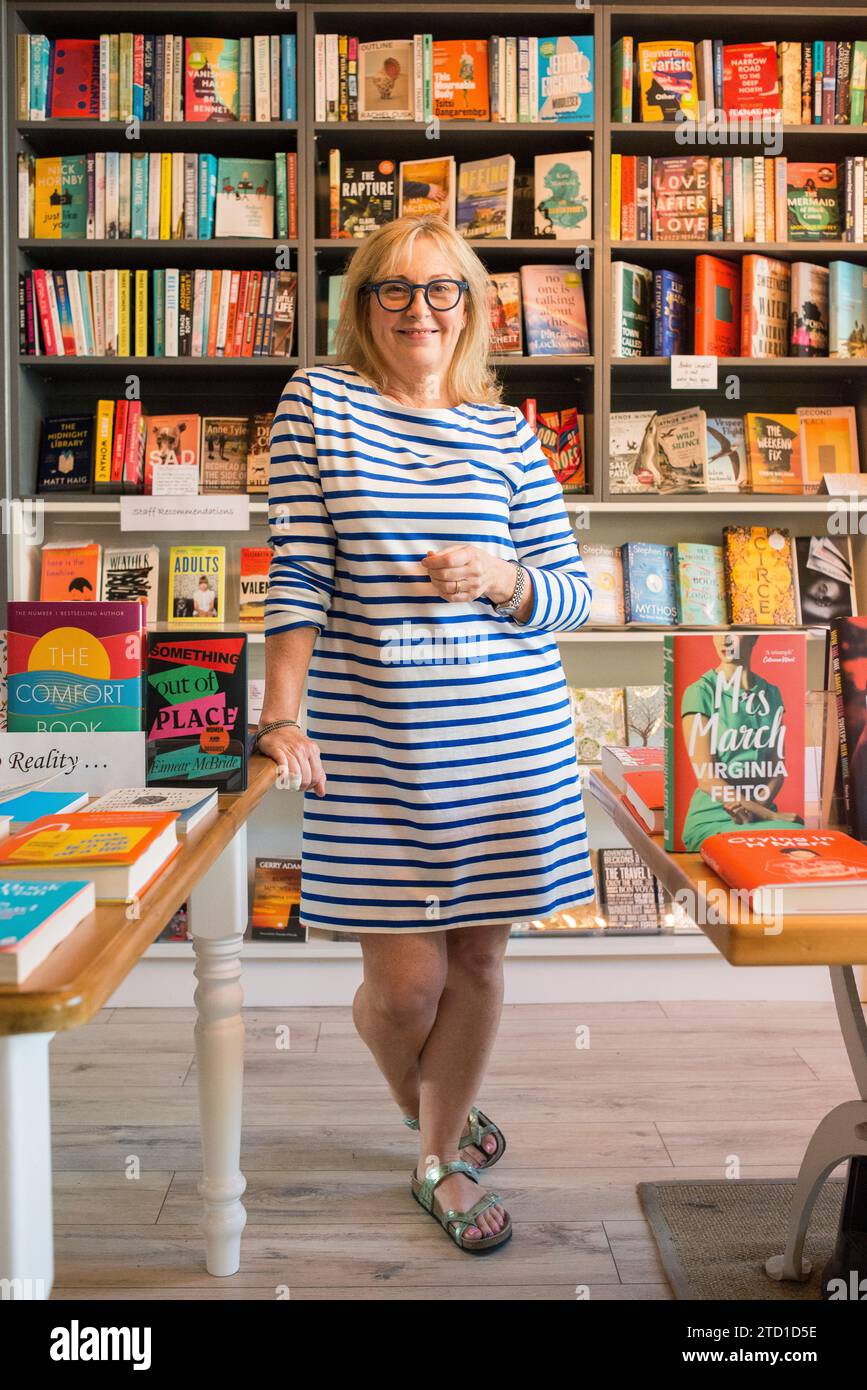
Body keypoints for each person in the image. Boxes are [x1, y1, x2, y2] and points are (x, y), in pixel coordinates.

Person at [256, 213, 594, 1253]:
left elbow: (574, 596)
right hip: (377, 744)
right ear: (361, 307)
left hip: (508, 742)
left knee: (479, 966)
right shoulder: (320, 402)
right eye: (393, 290)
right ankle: (427, 1095)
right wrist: (280, 714)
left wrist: (502, 577)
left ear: (473, 306)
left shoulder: (507, 433)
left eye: (441, 288)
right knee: (404, 988)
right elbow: (301, 570)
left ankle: (437, 1157)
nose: (419, 309)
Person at [679, 632, 806, 853]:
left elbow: (777, 769)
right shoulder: (700, 692)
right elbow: (707, 780)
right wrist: (770, 815)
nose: (724, 640)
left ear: (754, 636)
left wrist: (756, 812)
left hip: (760, 816)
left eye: (733, 632)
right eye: (717, 632)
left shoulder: (772, 694)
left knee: (804, 842)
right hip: (712, 820)